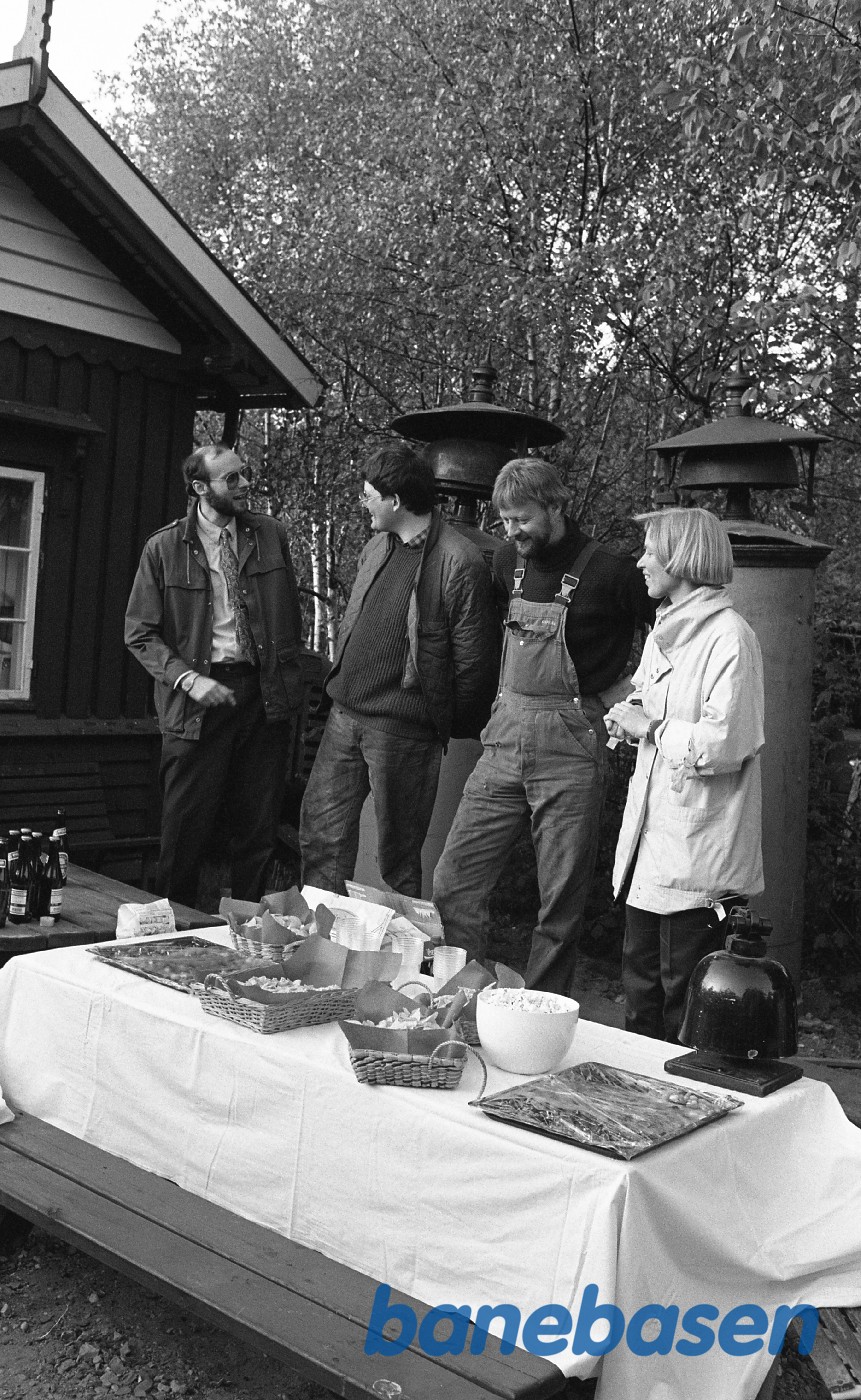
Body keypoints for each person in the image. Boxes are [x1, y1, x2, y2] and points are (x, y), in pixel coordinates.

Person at [433, 458, 654, 996]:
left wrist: (631, 696)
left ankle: (538, 1016)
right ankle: (468, 999)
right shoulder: (506, 560)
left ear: (557, 506)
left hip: (571, 745)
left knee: (559, 902)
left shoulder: (612, 573)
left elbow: (667, 638)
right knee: (452, 882)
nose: (510, 533)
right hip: (504, 737)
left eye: (521, 519)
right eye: (504, 521)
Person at [299, 441, 498, 897]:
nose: (363, 502)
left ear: (395, 500)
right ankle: (319, 948)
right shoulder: (376, 545)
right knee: (321, 839)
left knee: (397, 858)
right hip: (344, 716)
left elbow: (472, 664)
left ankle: (396, 959)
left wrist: (433, 721)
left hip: (403, 731)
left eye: (369, 494)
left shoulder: (459, 562)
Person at [604, 506, 765, 1042]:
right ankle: (635, 1110)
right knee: (641, 998)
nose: (641, 560)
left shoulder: (730, 638)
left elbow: (726, 744)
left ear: (683, 556)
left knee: (686, 1008)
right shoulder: (664, 631)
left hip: (699, 860)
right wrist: (626, 719)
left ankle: (688, 1117)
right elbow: (648, 705)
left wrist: (649, 727)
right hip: (651, 854)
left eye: (651, 550)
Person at [125, 442, 304, 907]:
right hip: (195, 699)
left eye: (244, 474)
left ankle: (248, 934)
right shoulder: (164, 547)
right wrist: (189, 679)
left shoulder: (270, 535)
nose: (245, 485)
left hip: (263, 696)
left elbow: (289, 620)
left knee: (258, 830)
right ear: (201, 488)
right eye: (233, 479)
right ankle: (171, 935)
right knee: (185, 828)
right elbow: (140, 634)